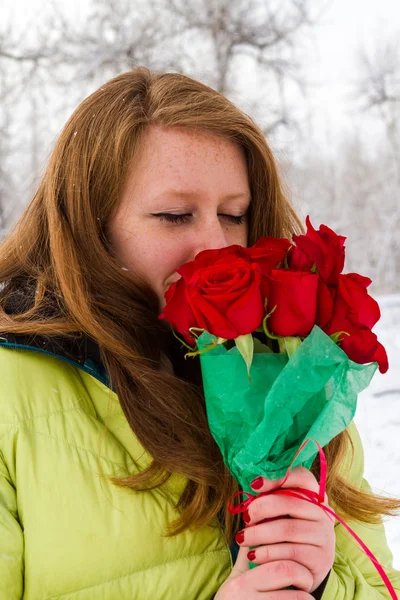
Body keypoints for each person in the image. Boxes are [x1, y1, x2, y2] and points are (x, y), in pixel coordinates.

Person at [0, 67, 398, 600]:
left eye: (234, 214)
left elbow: (381, 586)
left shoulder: (292, 380)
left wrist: (321, 582)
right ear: (90, 228)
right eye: (174, 215)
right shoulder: (11, 391)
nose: (216, 244)